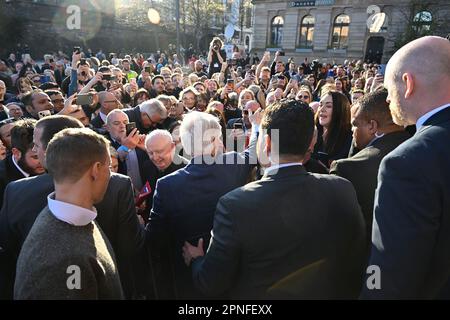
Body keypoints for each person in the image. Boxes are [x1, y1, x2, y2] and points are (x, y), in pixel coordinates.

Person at [182, 99, 366, 299]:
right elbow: (356, 259)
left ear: (268, 143)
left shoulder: (234, 205)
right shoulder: (342, 188)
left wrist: (197, 260)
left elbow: (211, 282)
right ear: (310, 144)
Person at [0, 116, 145, 299]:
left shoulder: (76, 218)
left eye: (37, 145)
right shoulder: (67, 251)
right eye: (109, 167)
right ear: (96, 170)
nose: (111, 175)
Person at [362, 36, 450, 299]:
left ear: (408, 84)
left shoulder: (407, 162)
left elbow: (387, 272)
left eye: (389, 91)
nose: (388, 100)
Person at [146, 110, 259, 299]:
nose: (223, 143)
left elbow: (154, 239)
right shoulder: (234, 164)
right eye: (220, 139)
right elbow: (254, 151)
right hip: (234, 273)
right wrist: (256, 126)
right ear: (214, 140)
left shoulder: (166, 186)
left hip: (189, 279)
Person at [329, 89, 410, 247]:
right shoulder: (426, 151)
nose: (352, 131)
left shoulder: (348, 168)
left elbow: (338, 230)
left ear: (372, 126)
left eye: (355, 124)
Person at [313, 90, 352, 167]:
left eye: (328, 106)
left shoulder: (349, 139)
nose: (322, 109)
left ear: (340, 110)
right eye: (320, 105)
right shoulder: (312, 133)